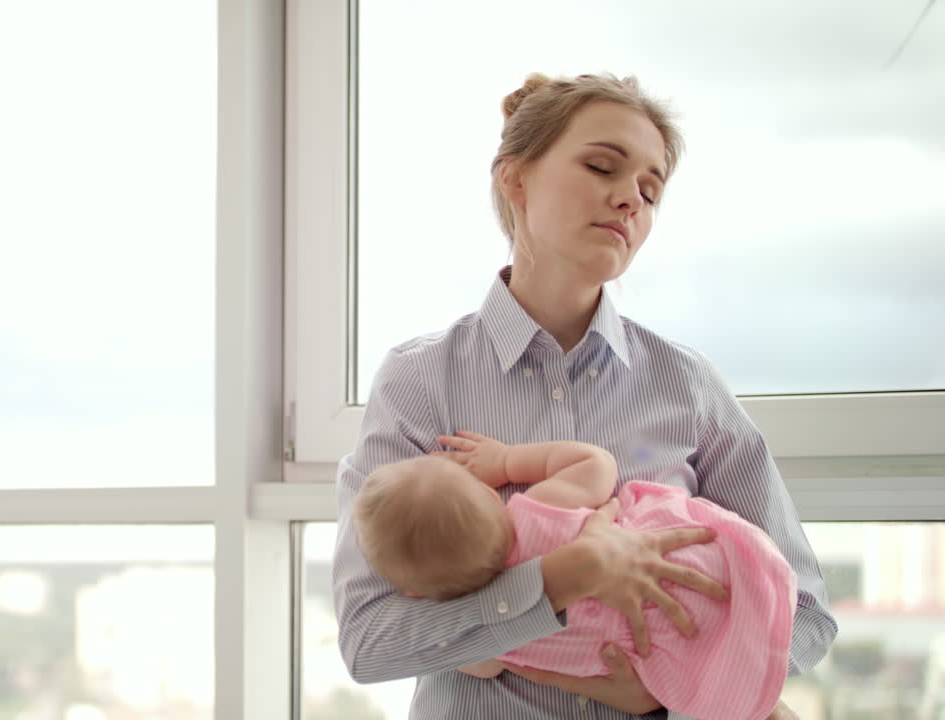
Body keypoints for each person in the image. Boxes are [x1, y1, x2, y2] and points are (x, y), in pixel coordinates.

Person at [332, 71, 837, 720]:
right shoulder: (418, 383)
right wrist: (559, 580)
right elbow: (370, 640)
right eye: (603, 166)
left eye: (651, 190)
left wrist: (668, 693)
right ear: (514, 179)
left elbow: (807, 615)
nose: (631, 198)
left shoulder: (689, 386)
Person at [353, 432, 797, 720]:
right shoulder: (536, 511)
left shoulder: (495, 638)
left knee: (747, 698)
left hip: (658, 657)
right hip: (698, 572)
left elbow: (483, 667)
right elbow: (597, 464)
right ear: (491, 494)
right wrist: (508, 461)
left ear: (413, 591)